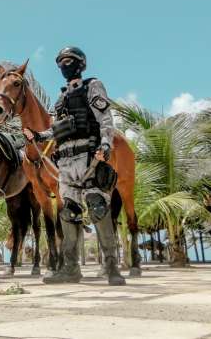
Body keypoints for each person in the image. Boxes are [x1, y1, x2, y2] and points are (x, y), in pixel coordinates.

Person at [23, 47, 126, 286]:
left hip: (89, 157)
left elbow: (105, 119)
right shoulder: (60, 99)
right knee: (69, 213)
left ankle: (111, 267)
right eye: (60, 63)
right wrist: (38, 136)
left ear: (80, 64)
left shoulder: (93, 86)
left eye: (69, 61)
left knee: (98, 209)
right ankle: (70, 268)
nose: (64, 66)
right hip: (66, 164)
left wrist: (106, 144)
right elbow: (57, 130)